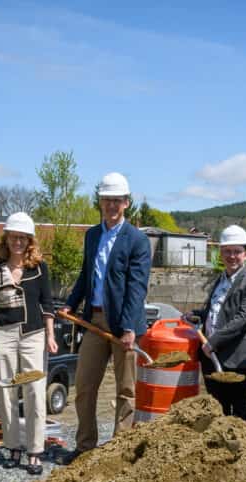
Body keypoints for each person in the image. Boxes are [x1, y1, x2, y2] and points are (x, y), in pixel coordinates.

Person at [60, 172, 151, 453]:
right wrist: (71, 303)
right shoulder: (93, 235)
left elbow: (137, 288)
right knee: (85, 386)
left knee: (125, 390)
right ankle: (85, 447)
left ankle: (119, 450)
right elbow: (86, 274)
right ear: (100, 201)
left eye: (117, 200)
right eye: (106, 200)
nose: (111, 205)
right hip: (95, 320)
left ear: (126, 203)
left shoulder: (136, 240)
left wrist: (127, 329)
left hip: (125, 324)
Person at [0, 212, 57, 474]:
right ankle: (13, 446)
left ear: (29, 240)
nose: (18, 242)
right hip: (3, 334)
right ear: (7, 238)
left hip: (33, 333)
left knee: (35, 390)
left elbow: (47, 303)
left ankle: (35, 450)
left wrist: (51, 335)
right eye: (14, 237)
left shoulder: (39, 267)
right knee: (5, 391)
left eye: (23, 238)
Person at [187, 225, 246, 421]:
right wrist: (196, 315)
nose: (232, 256)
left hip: (237, 358)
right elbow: (216, 311)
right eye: (227, 251)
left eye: (237, 252)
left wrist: (213, 341)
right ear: (220, 253)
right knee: (217, 409)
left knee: (238, 412)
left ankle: (241, 450)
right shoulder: (220, 279)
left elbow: (242, 318)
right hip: (212, 357)